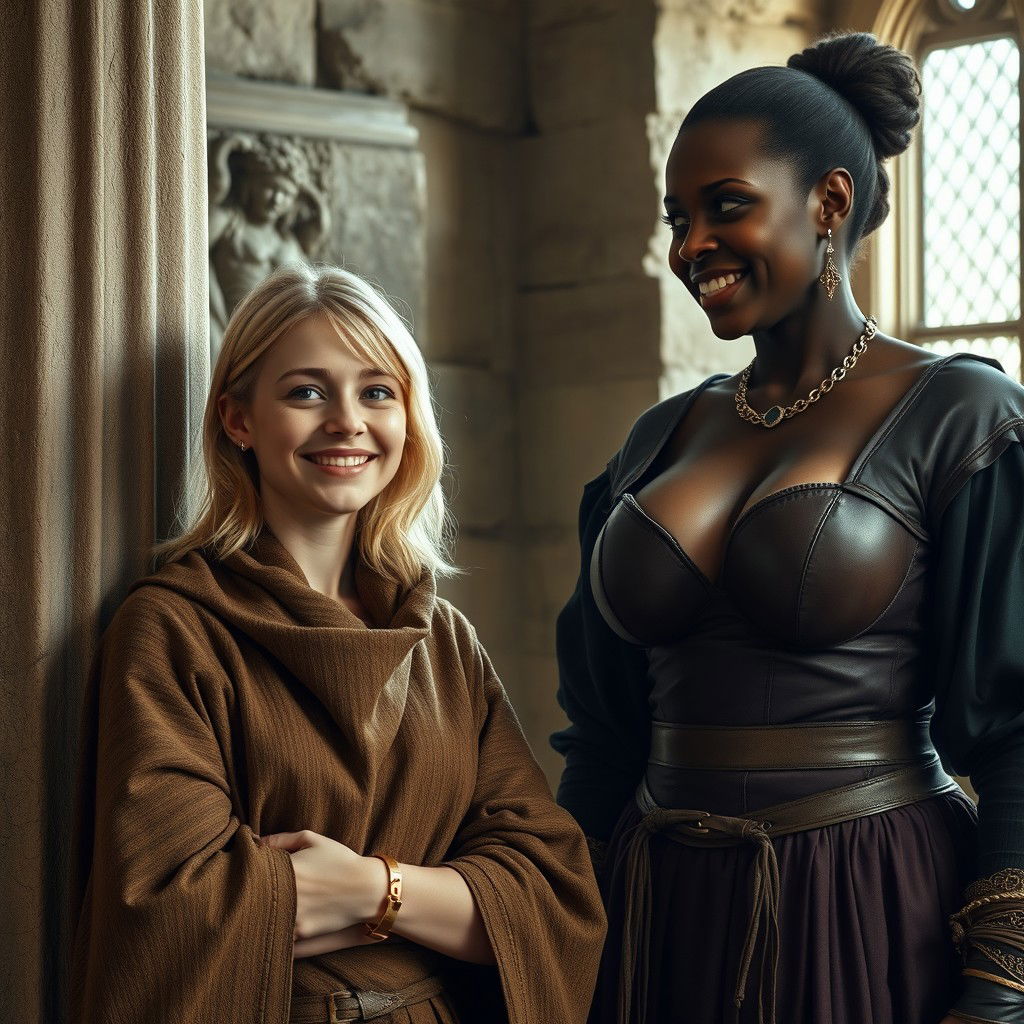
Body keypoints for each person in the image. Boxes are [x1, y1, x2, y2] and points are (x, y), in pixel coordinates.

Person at [552, 32, 1024, 1024]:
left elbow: (1018, 734)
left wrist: (1001, 987)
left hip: (864, 902)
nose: (690, 246)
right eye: (677, 218)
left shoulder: (961, 414)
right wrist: (550, 936)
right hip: (655, 916)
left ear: (829, 203)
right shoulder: (654, 440)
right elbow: (600, 741)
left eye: (726, 206)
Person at [70, 264, 605, 1023]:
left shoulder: (443, 641)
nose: (348, 420)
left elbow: (551, 888)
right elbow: (169, 907)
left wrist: (370, 890)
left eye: (377, 391)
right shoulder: (171, 629)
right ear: (239, 420)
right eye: (306, 391)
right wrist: (443, 897)